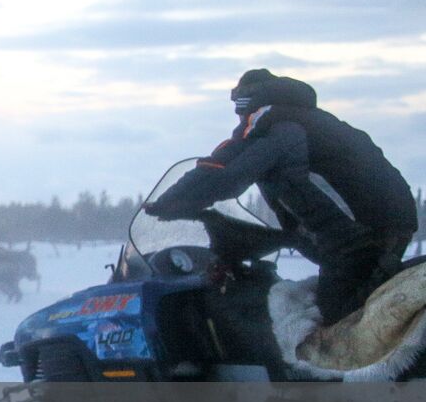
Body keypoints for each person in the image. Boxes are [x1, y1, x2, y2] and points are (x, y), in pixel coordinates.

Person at [144, 68, 418, 325]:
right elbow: (226, 163)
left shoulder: (279, 128)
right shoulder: (302, 120)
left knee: (339, 314)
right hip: (380, 221)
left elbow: (228, 174)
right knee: (360, 300)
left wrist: (173, 204)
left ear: (246, 103)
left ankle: (376, 372)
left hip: (359, 231)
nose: (239, 120)